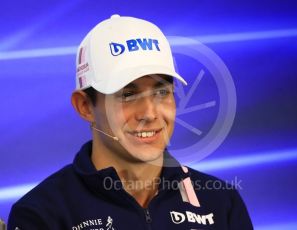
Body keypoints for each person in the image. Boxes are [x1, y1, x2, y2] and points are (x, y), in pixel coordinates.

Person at [8, 15, 253, 229]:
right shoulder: (42, 214)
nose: (149, 113)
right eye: (128, 95)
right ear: (85, 107)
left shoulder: (221, 203)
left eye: (161, 92)